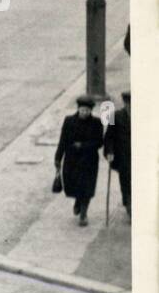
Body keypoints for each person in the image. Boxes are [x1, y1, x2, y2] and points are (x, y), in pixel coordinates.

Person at [54, 94, 104, 226]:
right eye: (82, 110)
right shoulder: (69, 121)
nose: (84, 112)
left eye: (87, 110)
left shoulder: (96, 123)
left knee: (87, 187)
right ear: (78, 109)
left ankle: (83, 214)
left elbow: (99, 142)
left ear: (91, 110)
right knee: (73, 185)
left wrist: (83, 145)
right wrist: (58, 158)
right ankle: (77, 201)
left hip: (89, 160)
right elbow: (63, 141)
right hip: (72, 160)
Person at [103, 90, 131, 219]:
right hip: (123, 156)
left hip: (141, 157)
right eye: (129, 103)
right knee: (125, 182)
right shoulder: (114, 116)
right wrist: (109, 151)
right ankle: (130, 206)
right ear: (125, 103)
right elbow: (109, 137)